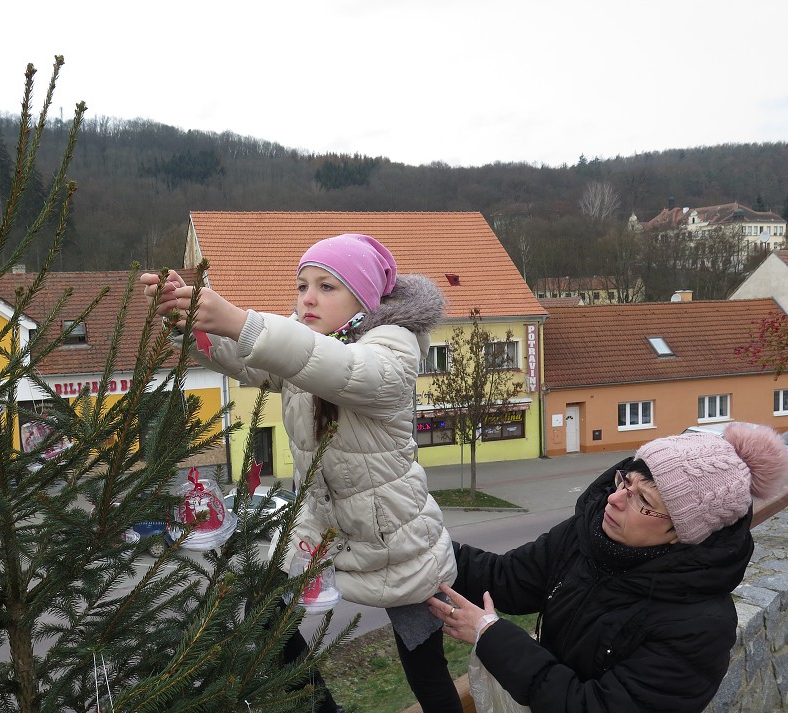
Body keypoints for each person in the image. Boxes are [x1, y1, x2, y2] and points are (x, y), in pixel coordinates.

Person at [141, 233, 460, 712]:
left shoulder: (393, 348)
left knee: (425, 667)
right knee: (268, 622)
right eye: (302, 285)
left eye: (327, 287)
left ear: (365, 299)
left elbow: (344, 370)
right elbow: (253, 357)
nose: (308, 297)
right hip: (321, 522)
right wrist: (186, 322)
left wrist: (242, 320)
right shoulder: (306, 340)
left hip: (394, 530)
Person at [427, 423, 788, 713]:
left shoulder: (699, 629)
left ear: (683, 533)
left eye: (643, 500)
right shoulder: (591, 537)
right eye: (625, 481)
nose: (614, 499)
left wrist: (493, 638)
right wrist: (428, 548)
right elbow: (508, 578)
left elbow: (591, 705)